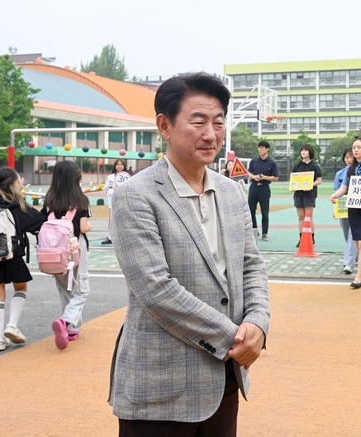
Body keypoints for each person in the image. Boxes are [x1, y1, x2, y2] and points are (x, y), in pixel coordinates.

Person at [108, 72, 271, 435]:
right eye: (197, 122)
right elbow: (156, 289)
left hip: (224, 380)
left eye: (218, 122)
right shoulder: (136, 195)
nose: (210, 134)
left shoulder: (231, 193)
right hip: (160, 388)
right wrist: (236, 339)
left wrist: (259, 322)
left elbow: (251, 266)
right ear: (164, 126)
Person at [0, 167, 46, 351]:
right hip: (11, 255)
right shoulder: (16, 205)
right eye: (19, 178)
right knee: (20, 287)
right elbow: (38, 223)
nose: (21, 180)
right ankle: (12, 325)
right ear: (14, 183)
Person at [41, 161, 92, 350]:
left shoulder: (49, 199)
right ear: (75, 177)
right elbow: (84, 227)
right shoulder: (80, 199)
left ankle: (71, 328)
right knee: (82, 288)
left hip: (54, 251)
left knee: (64, 288)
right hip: (75, 247)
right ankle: (66, 321)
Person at [330, 136, 361, 288]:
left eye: (358, 147)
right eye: (354, 148)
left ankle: (358, 278)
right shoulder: (349, 169)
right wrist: (335, 195)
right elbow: (344, 187)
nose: (356, 150)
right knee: (358, 243)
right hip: (353, 208)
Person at [247, 140, 279, 241]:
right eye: (259, 147)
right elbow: (249, 173)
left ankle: (265, 233)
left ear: (267, 149)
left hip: (264, 188)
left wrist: (264, 177)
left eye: (262, 148)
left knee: (265, 211)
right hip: (254, 187)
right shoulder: (254, 161)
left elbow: (275, 177)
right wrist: (254, 177)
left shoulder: (272, 163)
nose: (260, 149)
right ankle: (254, 231)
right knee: (250, 210)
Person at [292, 143, 323, 247]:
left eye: (305, 150)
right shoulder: (297, 166)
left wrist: (310, 185)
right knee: (301, 216)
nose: (303, 152)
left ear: (310, 152)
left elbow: (319, 180)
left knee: (308, 216)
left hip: (310, 194)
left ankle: (311, 239)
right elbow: (294, 179)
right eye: (302, 150)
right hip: (298, 194)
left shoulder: (314, 166)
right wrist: (293, 186)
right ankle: (301, 239)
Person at [333, 148, 357, 274]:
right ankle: (355, 255)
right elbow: (338, 192)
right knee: (346, 232)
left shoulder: (360, 172)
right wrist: (335, 209)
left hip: (357, 207)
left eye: (351, 157)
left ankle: (348, 263)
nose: (349, 160)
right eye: (346, 157)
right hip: (343, 208)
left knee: (353, 234)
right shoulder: (340, 174)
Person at [102, 159, 129, 245]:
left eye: (121, 164)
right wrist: (114, 191)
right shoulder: (110, 177)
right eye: (118, 165)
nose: (119, 166)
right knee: (112, 220)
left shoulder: (127, 177)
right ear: (115, 166)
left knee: (124, 219)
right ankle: (110, 237)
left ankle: (124, 237)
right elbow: (106, 189)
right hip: (113, 203)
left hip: (124, 202)